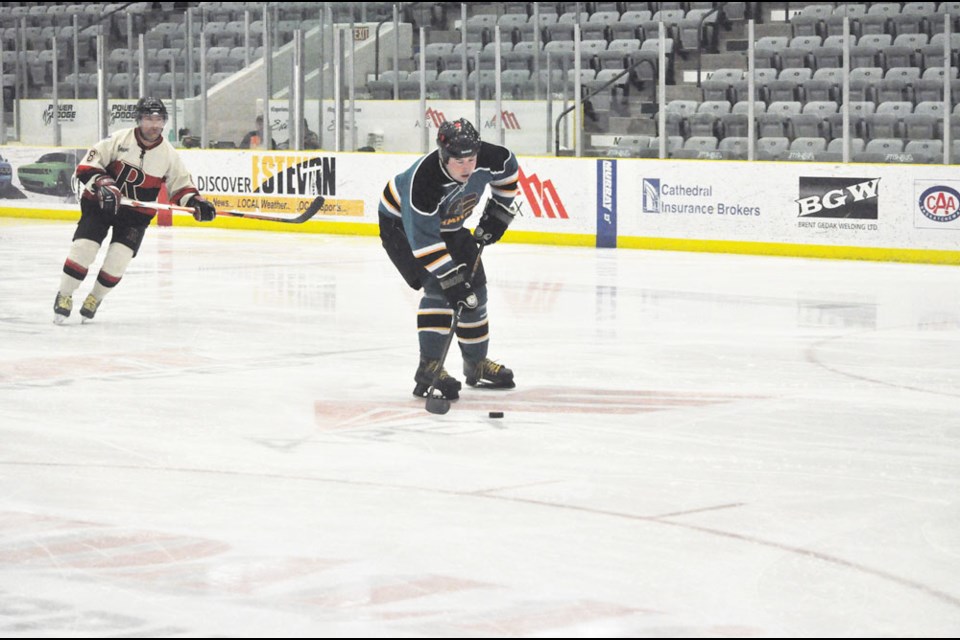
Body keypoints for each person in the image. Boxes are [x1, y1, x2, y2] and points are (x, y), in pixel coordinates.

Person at [378, 118, 520, 400]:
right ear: (443, 156)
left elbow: (508, 174)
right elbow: (425, 243)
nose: (467, 166)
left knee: (474, 289)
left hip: (450, 226)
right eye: (459, 161)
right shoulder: (424, 182)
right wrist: (452, 282)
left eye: (471, 158)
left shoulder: (493, 157)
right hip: (402, 228)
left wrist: (498, 215)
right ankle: (429, 367)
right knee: (441, 289)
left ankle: (476, 365)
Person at [52, 96, 217, 323]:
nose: (155, 125)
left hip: (135, 216)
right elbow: (86, 167)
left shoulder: (168, 154)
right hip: (100, 206)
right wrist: (102, 183)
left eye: (159, 119)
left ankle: (95, 298)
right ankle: (65, 294)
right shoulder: (118, 140)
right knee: (84, 249)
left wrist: (196, 203)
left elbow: (181, 187)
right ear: (139, 119)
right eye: (149, 118)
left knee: (118, 260)